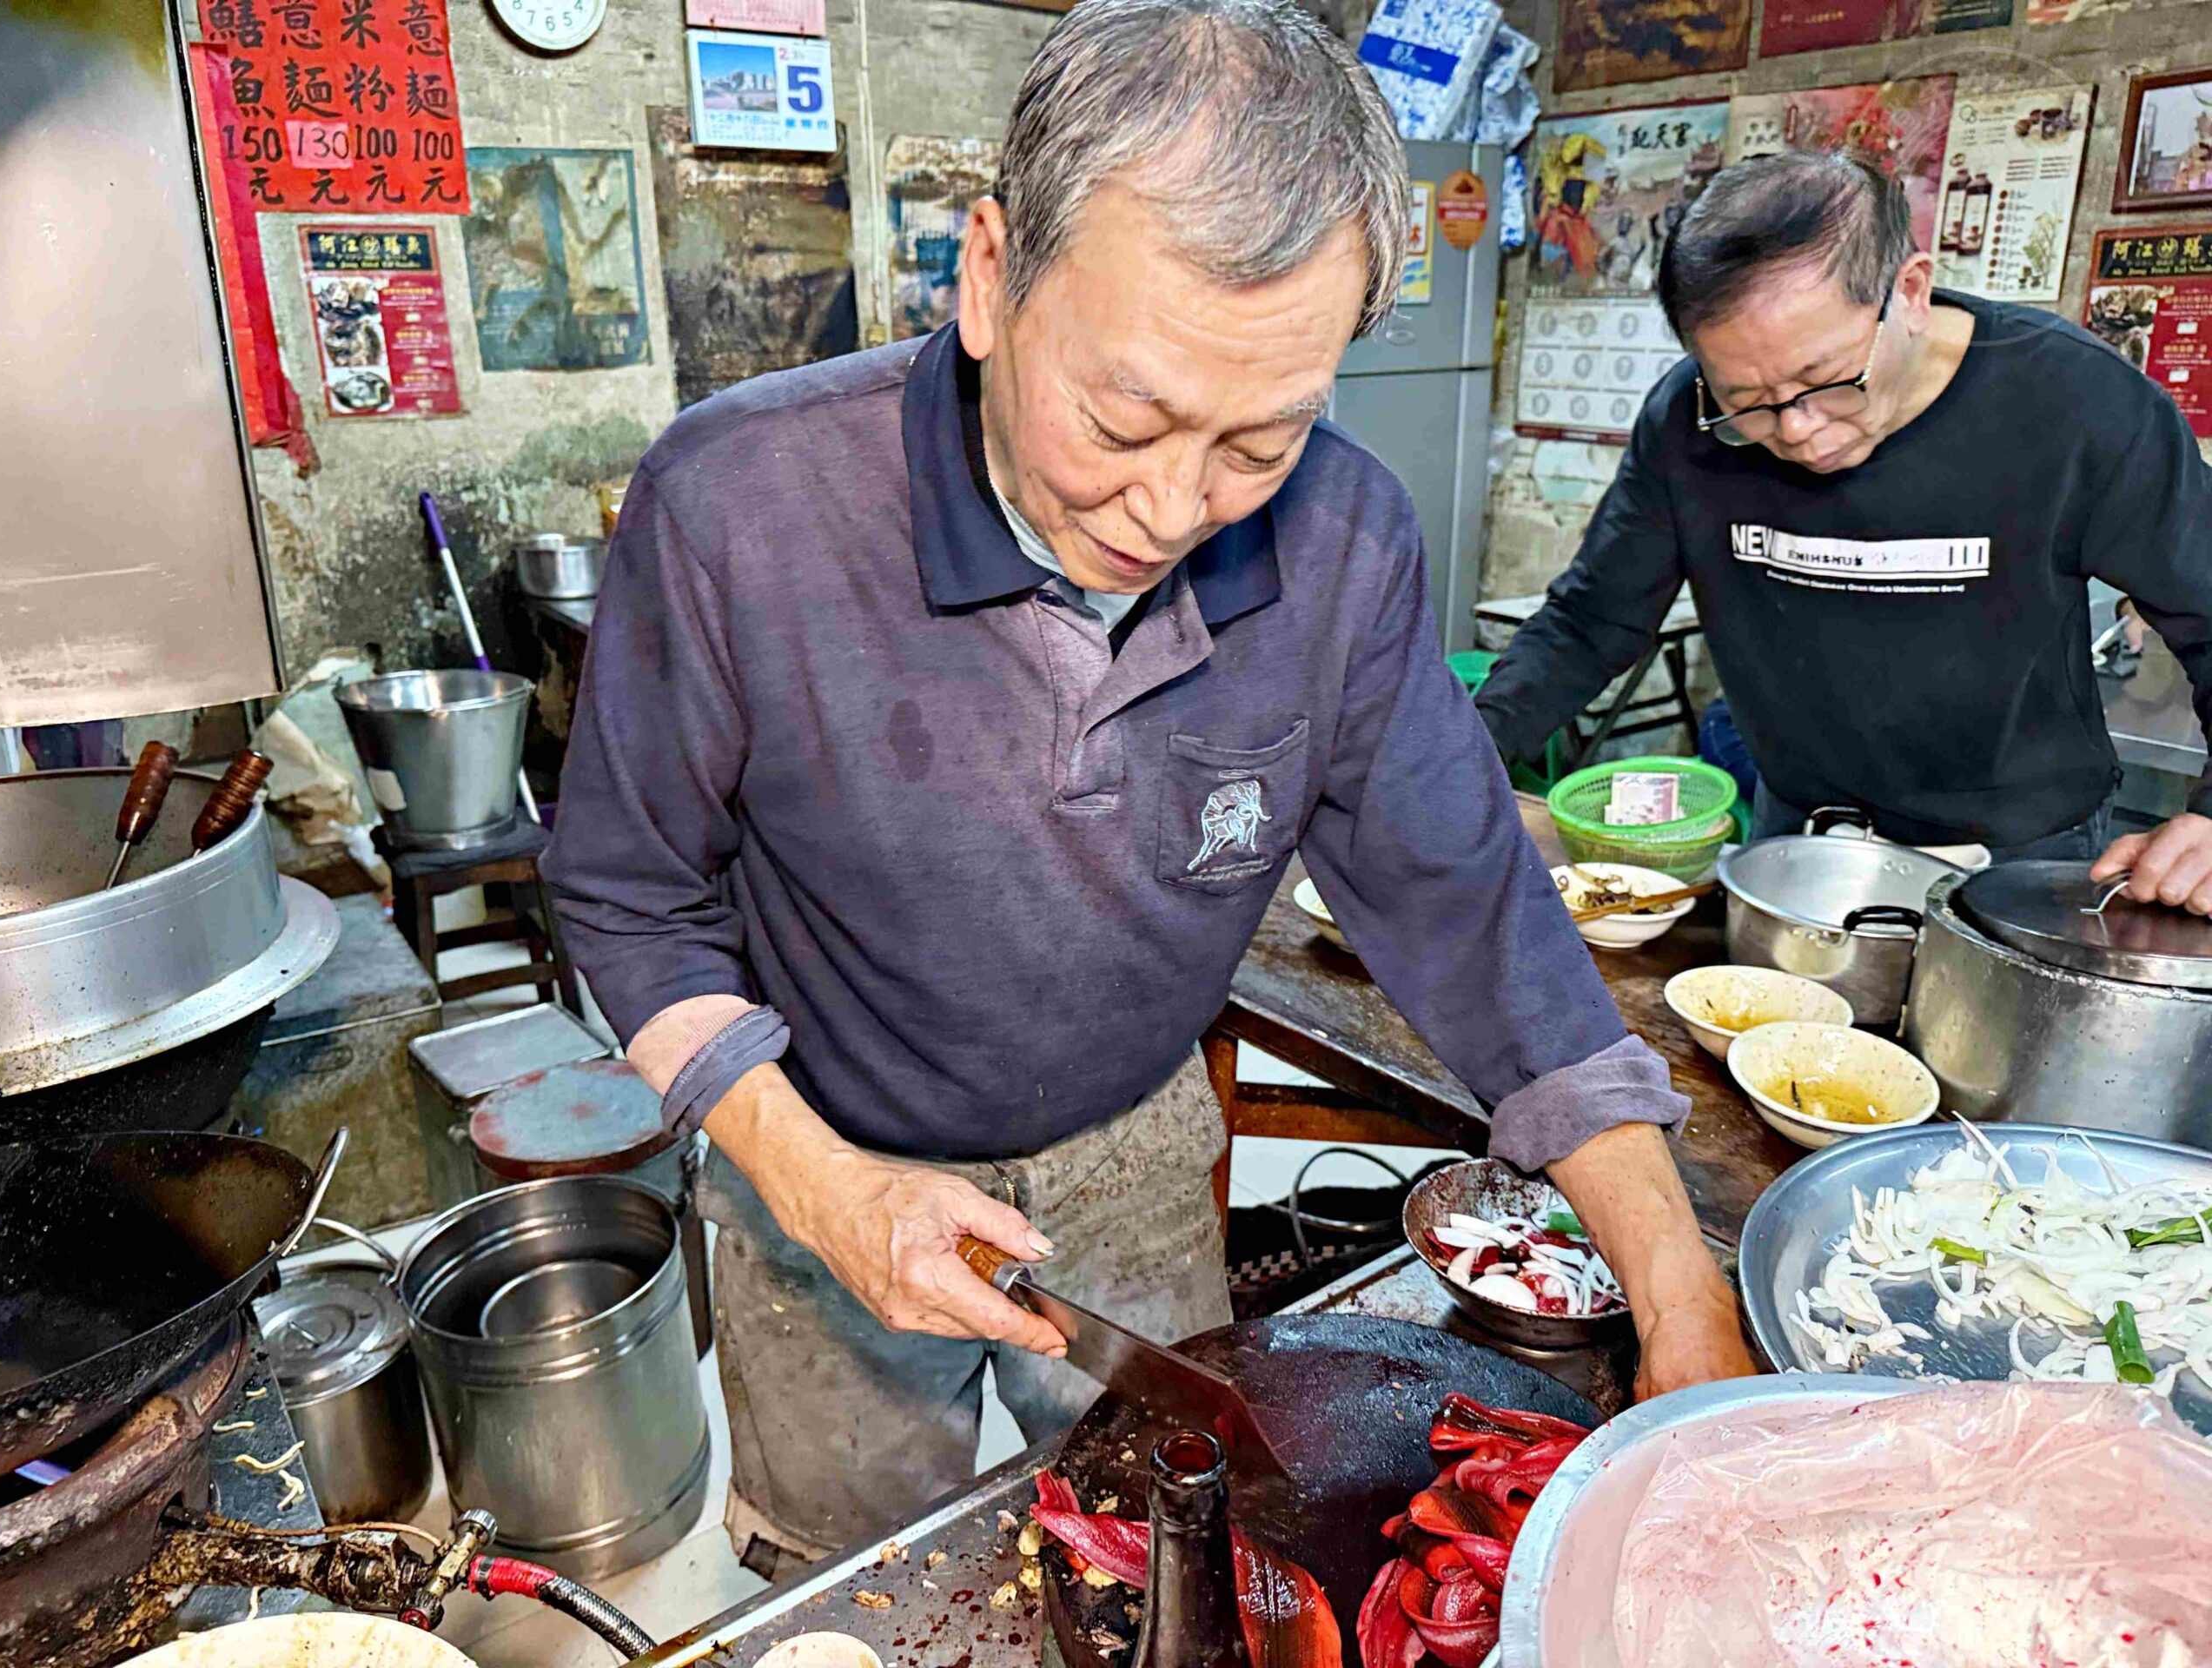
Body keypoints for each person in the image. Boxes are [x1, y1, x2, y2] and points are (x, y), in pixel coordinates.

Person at [541, 0, 1752, 1578]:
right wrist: (812, 1179)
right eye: (1123, 419)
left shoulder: (1348, 542)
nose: (1176, 504)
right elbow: (628, 901)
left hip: (1130, 1150)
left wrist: (1682, 1299)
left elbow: (1478, 918)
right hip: (815, 1158)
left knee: (1169, 1541)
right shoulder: (738, 506)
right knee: (855, 1578)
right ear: (989, 277)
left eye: (1262, 439)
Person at [1475, 151, 2212, 913]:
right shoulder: (1684, 421)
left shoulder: (2077, 404)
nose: (1797, 429)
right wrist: (1466, 748)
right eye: (1748, 402)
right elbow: (1591, 619)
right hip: (1798, 836)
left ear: (1911, 292)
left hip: (2021, 851)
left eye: (1829, 380)